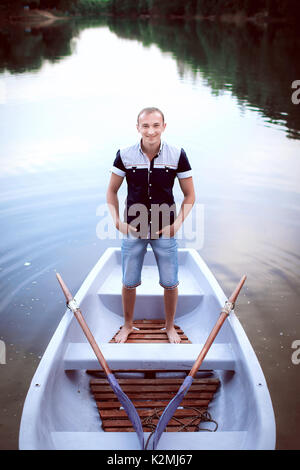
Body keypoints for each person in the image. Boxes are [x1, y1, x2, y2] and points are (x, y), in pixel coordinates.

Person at [106, 107, 195, 343]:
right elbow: (112, 191)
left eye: (156, 125)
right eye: (145, 125)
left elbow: (190, 196)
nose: (151, 130)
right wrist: (117, 222)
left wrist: (175, 226)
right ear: (138, 128)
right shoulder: (124, 155)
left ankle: (169, 326)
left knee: (169, 281)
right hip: (133, 230)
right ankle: (127, 325)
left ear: (164, 127)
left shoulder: (177, 155)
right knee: (128, 281)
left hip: (164, 229)